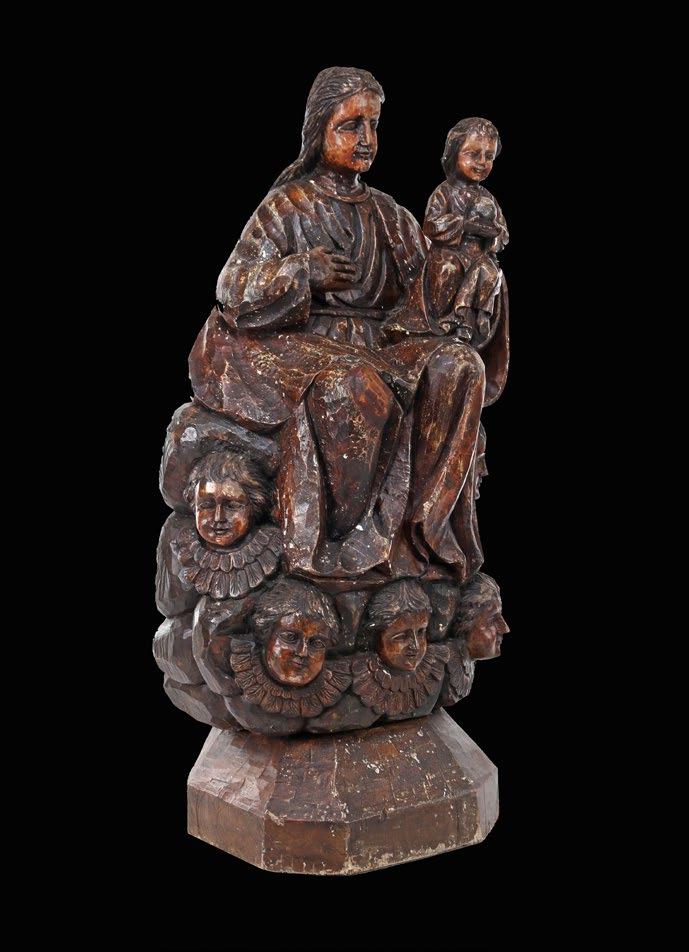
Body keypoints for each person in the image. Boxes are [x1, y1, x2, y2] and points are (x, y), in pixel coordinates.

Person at [189, 68, 509, 584]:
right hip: (301, 346)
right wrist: (302, 271)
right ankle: (345, 544)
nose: (365, 139)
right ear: (319, 131)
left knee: (459, 366)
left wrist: (472, 272)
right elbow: (233, 285)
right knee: (355, 385)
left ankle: (420, 539)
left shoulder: (390, 214)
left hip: (383, 343)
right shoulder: (288, 205)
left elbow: (422, 300)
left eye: (373, 125)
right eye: (350, 125)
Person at [423, 117, 508, 346]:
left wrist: (494, 234)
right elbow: (431, 224)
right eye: (473, 154)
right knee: (448, 269)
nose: (482, 162)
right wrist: (465, 225)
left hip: (479, 255)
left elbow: (503, 233)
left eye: (489, 156)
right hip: (449, 253)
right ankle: (446, 320)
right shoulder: (445, 192)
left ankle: (476, 319)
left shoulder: (488, 198)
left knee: (490, 272)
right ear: (454, 154)